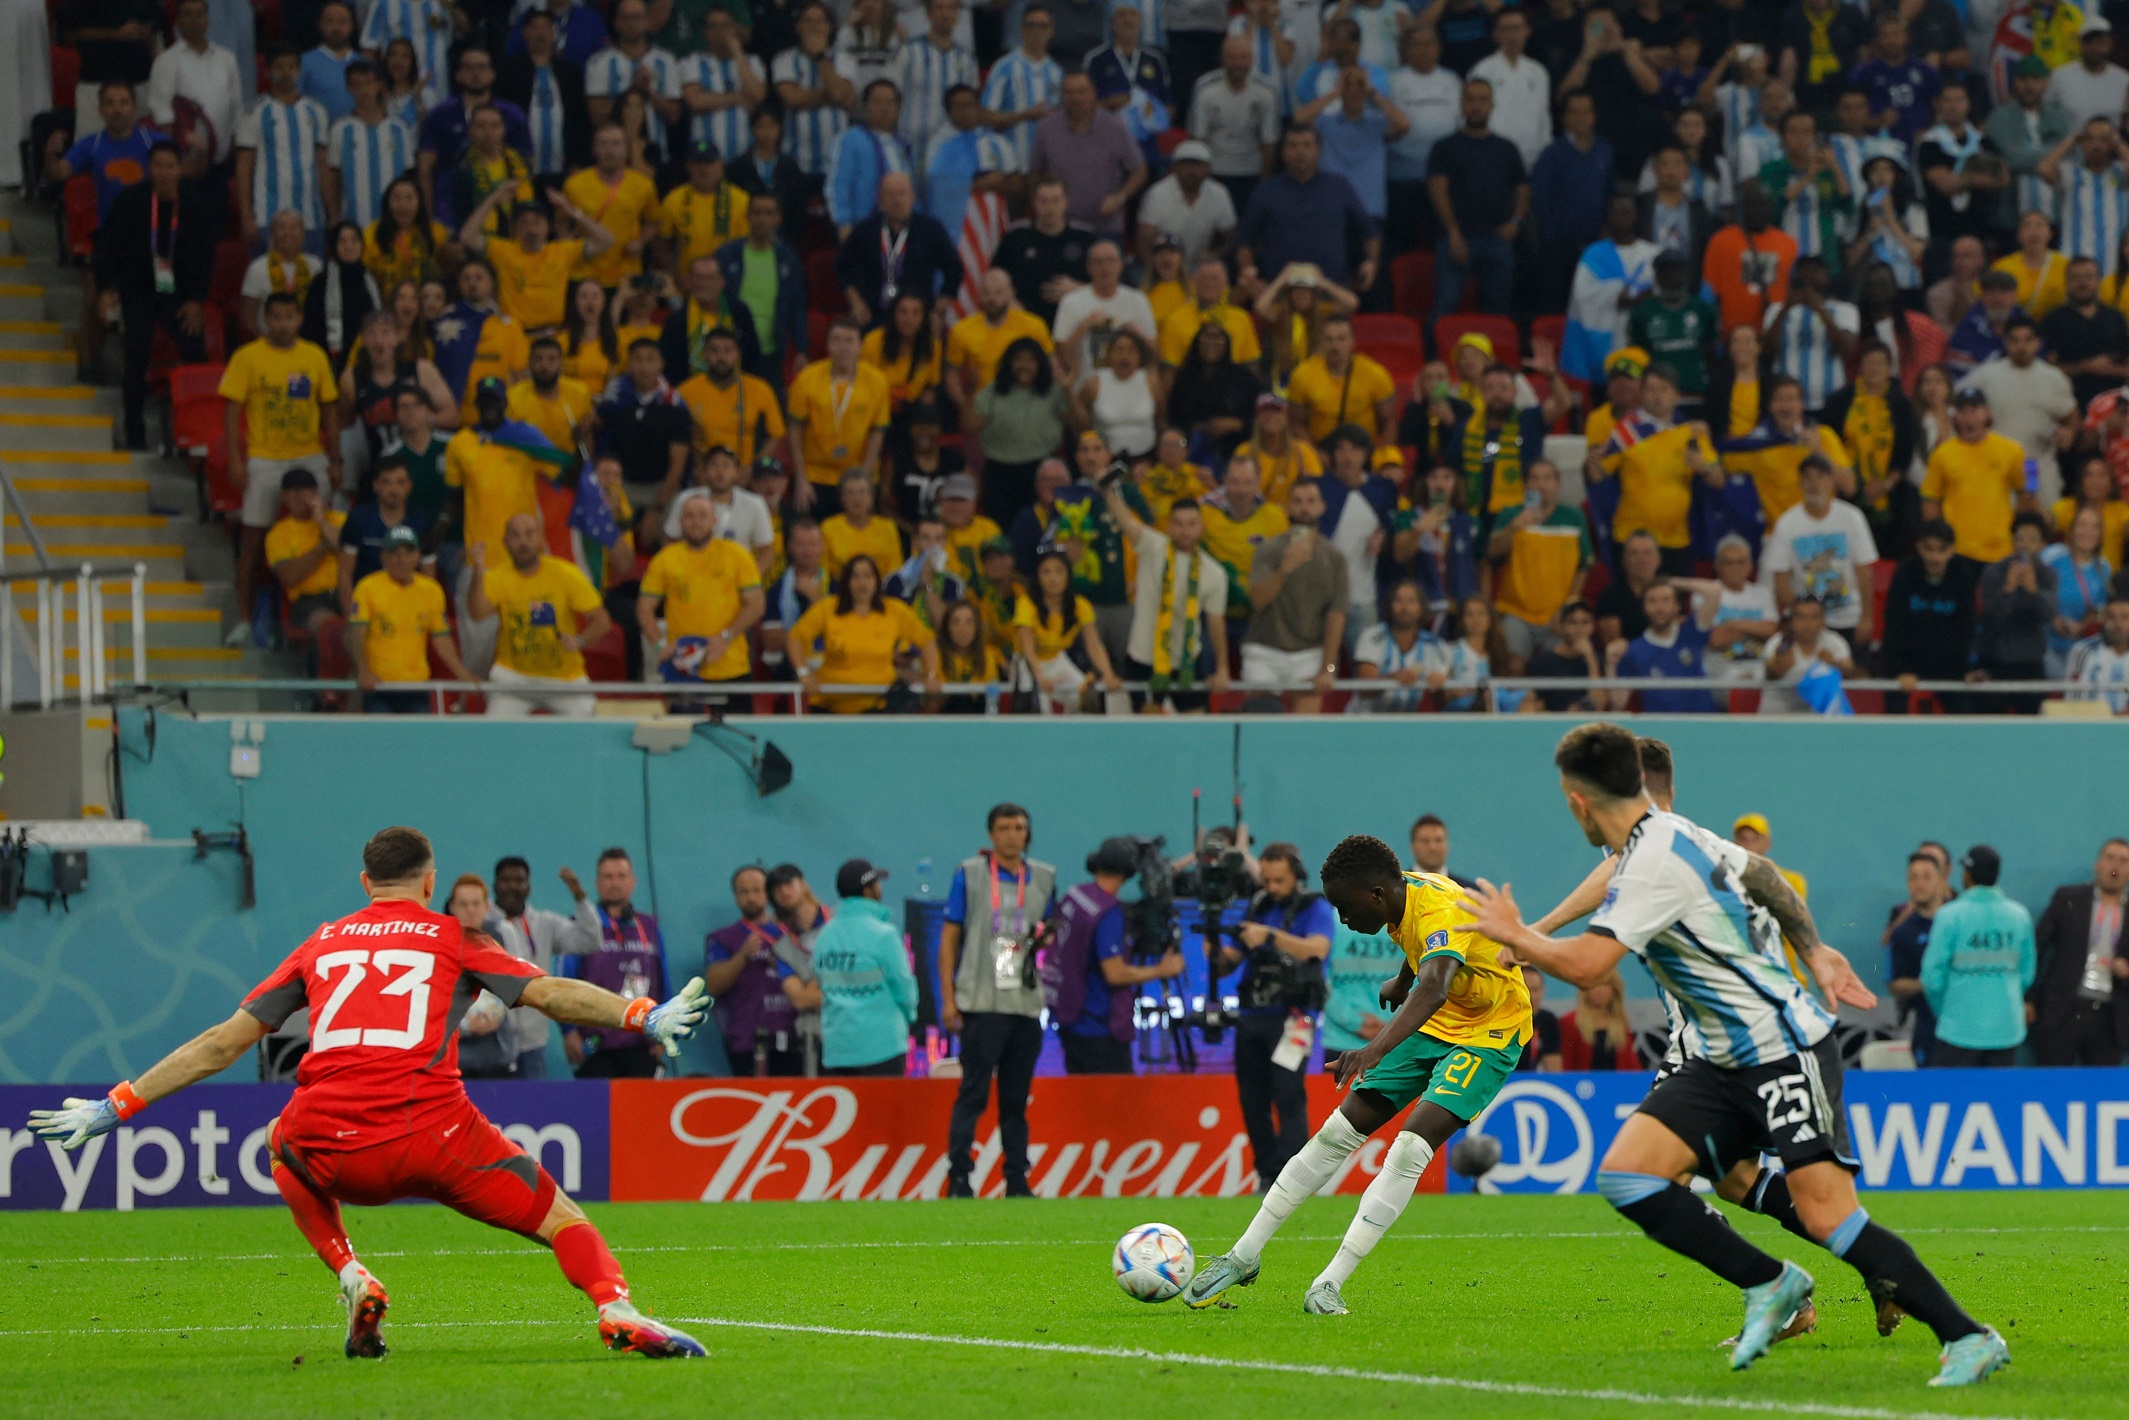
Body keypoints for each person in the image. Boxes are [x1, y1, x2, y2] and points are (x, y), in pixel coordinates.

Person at [25, 827, 710, 1360]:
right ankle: (614, 1307)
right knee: (560, 1216)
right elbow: (549, 993)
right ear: (431, 882)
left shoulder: (321, 944)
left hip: (331, 1144)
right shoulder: (454, 937)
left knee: (276, 1142)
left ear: (365, 883)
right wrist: (642, 1014)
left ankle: (352, 1273)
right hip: (437, 1138)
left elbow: (220, 1044)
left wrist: (116, 1105)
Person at [1459, 722, 2007, 1387]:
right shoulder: (1668, 836)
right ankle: (1771, 1283)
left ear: (1577, 802)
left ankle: (1967, 1337)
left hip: (1781, 1049)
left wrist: (1519, 936)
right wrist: (1813, 950)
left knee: (1826, 1214)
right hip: (1720, 1059)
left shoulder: (1653, 860)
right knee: (1630, 1175)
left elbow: (1588, 967)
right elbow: (1766, 875)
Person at [1184, 833, 1527, 1314]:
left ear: (1377, 895)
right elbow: (1425, 949)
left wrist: (1372, 1050)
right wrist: (1402, 978)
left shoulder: (1439, 908)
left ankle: (1328, 1283)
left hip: (1489, 1031)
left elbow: (1434, 986)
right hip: (1439, 1022)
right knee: (1336, 1133)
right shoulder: (1402, 893)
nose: (1343, 919)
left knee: (1409, 1148)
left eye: (1346, 908)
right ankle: (1242, 1256)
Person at [939, 804, 1055, 1196]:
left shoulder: (1043, 877)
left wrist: (1044, 939)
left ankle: (1017, 1179)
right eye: (1004, 828)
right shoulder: (970, 874)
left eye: (1019, 827)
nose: (1012, 835)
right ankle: (959, 1177)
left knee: (1016, 1100)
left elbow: (1044, 930)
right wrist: (949, 999)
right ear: (991, 834)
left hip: (1023, 1002)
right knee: (972, 1094)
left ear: (1027, 833)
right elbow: (949, 939)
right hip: (981, 1002)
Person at [221, 293, 343, 645]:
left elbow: (329, 408)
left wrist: (336, 459)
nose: (283, 323)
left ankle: (328, 600)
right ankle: (245, 619)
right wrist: (235, 459)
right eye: (275, 316)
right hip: (264, 456)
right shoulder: (247, 356)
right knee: (252, 539)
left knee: (324, 525)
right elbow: (232, 411)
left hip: (309, 453)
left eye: (289, 316)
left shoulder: (314, 356)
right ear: (265, 318)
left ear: (299, 319)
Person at [93, 142, 213, 452]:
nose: (164, 172)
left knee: (195, 350)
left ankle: (198, 429)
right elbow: (106, 247)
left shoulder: (197, 206)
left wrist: (196, 300)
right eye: (158, 165)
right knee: (136, 357)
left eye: (170, 166)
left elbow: (206, 259)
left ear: (180, 169)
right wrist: (107, 289)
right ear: (150, 168)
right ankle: (135, 434)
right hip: (139, 289)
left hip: (179, 293)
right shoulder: (131, 201)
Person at [1047, 837, 1181, 1076]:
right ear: (1128, 873)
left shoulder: (1075, 895)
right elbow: (1115, 973)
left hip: (1070, 1020)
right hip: (1099, 1029)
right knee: (1115, 1099)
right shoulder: (1108, 912)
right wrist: (1162, 970)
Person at [464, 512, 612, 717]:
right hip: (512, 678)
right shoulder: (497, 576)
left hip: (565, 679)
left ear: (541, 539)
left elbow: (602, 621)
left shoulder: (566, 573)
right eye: (515, 535)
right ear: (505, 543)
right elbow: (477, 613)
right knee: (495, 732)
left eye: (529, 534)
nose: (523, 542)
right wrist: (478, 570)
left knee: (592, 728)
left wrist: (580, 640)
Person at [779, 860, 917, 1077]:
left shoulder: (825, 936)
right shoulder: (884, 935)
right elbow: (904, 987)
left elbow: (820, 977)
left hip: (837, 1048)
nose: (880, 889)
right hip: (883, 1046)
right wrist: (908, 1018)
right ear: (868, 891)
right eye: (876, 884)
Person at [637, 490, 765, 697]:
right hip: (682, 668)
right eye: (689, 516)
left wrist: (725, 637)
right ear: (680, 521)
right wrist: (659, 646)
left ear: (714, 520)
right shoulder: (664, 559)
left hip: (730, 667)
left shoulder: (738, 555)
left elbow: (756, 604)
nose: (696, 522)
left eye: (703, 515)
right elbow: (644, 608)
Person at [562, 847, 673, 1080]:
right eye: (608, 877)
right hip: (595, 1046)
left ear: (633, 882)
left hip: (642, 1046)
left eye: (621, 876)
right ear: (597, 883)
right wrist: (568, 1031)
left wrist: (665, 1031)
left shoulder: (649, 927)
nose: (615, 883)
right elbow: (563, 983)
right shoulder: (580, 927)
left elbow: (664, 981)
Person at [1921, 845, 2036, 1068]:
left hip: (1958, 1029)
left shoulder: (1949, 915)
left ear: (1967, 875)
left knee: (1951, 1090)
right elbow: (2026, 974)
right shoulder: (2019, 916)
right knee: (1999, 1091)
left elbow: (1932, 977)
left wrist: (1946, 1011)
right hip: (2006, 1029)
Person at [1237, 123, 1378, 301]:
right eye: (1293, 145)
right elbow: (1244, 241)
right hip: (1281, 292)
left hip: (1331, 290)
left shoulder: (1339, 187)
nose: (1300, 152)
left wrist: (1371, 262)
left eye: (1306, 145)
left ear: (1318, 150)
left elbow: (1370, 233)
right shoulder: (1267, 191)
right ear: (1283, 152)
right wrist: (1250, 275)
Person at [789, 553, 942, 711]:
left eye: (867, 576)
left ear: (876, 581)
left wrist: (930, 676)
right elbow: (795, 638)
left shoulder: (895, 611)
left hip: (880, 705)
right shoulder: (827, 608)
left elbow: (927, 641)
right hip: (830, 703)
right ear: (846, 581)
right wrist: (803, 673)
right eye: (855, 576)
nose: (862, 583)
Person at [1243, 480, 1346, 713]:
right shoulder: (1268, 550)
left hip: (1310, 652)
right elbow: (1257, 600)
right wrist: (1284, 570)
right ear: (1288, 507)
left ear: (1322, 506)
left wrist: (1328, 670)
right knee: (1262, 713)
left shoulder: (1335, 558)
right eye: (1297, 502)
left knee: (1305, 726)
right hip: (1265, 649)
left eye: (1311, 501)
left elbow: (1336, 616)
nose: (1304, 508)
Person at [2029, 838, 2129, 1067]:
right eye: (2109, 858)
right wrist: (2029, 999)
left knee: (2102, 1085)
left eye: (2124, 861)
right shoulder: (2069, 899)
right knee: (2051, 1081)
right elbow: (2037, 948)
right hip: (2063, 1011)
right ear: (2097, 864)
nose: (2115, 866)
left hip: (2110, 1019)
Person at [347, 524, 468, 711]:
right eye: (394, 553)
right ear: (383, 557)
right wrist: (363, 671)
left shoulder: (431, 590)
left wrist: (462, 673)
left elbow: (441, 638)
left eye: (408, 552)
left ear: (418, 556)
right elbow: (356, 634)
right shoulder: (367, 588)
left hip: (416, 686)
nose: (401, 560)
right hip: (379, 686)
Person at [704, 865, 805, 1076]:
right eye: (744, 892)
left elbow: (818, 973)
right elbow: (714, 986)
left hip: (794, 1037)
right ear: (736, 896)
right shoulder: (723, 938)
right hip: (747, 1041)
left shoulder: (793, 933)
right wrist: (742, 956)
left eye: (757, 890)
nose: (751, 898)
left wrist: (786, 963)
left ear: (768, 893)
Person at [787, 318, 893, 518]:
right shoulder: (807, 378)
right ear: (827, 345)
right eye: (836, 340)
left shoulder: (877, 381)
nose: (843, 347)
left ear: (860, 346)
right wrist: (801, 478)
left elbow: (877, 432)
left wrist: (864, 479)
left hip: (857, 475)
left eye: (849, 341)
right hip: (815, 475)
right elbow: (794, 429)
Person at [672, 327, 785, 505]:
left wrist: (753, 467)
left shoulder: (759, 389)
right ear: (704, 354)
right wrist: (697, 468)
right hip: (702, 476)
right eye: (714, 350)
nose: (721, 357)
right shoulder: (686, 391)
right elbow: (677, 437)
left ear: (738, 354)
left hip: (743, 477)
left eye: (727, 350)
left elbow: (776, 434)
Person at [836, 171, 964, 329]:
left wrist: (938, 310)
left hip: (917, 319)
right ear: (880, 198)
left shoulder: (931, 230)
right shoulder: (864, 231)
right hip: (873, 317)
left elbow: (955, 269)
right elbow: (842, 269)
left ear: (913, 196)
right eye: (890, 194)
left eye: (902, 193)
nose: (897, 200)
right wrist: (856, 302)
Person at [1922, 387, 2030, 570]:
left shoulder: (2012, 450)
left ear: (1986, 413)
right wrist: (1937, 543)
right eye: (1963, 412)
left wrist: (2018, 533)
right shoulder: (1942, 454)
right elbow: (1929, 499)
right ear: (1956, 416)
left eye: (1975, 411)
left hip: (2000, 550)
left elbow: (2027, 491)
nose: (1969, 418)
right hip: (1956, 550)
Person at [236, 48, 334, 247]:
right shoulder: (253, 112)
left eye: (291, 67)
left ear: (299, 71)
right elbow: (244, 167)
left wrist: (332, 212)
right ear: (267, 71)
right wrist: (247, 215)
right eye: (279, 67)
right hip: (267, 216)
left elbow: (323, 165)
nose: (286, 72)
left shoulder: (316, 111)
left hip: (311, 216)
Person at [1028, 72, 1146, 237]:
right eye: (1069, 92)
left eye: (1082, 92)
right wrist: (1042, 205)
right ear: (1061, 96)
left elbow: (1139, 170)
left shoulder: (1115, 127)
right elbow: (1034, 173)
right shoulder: (1045, 128)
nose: (1076, 98)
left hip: (1105, 227)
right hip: (1059, 228)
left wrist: (1119, 198)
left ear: (1094, 93)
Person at [1882, 518, 1981, 708]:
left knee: (1964, 710)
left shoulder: (1963, 575)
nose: (1934, 557)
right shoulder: (1905, 573)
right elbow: (1895, 625)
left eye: (1942, 550)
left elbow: (1966, 628)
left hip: (1949, 665)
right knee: (1895, 706)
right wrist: (1900, 670)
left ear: (1952, 550)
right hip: (1908, 660)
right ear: (1919, 547)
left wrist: (1963, 670)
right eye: (1928, 549)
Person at [146, 0, 245, 172]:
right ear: (178, 20)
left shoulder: (226, 59)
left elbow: (236, 105)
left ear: (207, 19)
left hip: (222, 156)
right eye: (188, 14)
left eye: (199, 14)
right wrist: (175, 155)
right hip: (185, 159)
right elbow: (161, 111)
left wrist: (234, 146)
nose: (194, 20)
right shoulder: (166, 61)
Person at [1190, 33, 1280, 219]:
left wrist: (1263, 185)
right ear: (1222, 59)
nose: (1237, 63)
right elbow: (1198, 139)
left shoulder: (1266, 91)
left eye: (1243, 57)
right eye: (1232, 57)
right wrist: (1203, 180)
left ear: (1252, 59)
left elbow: (1269, 143)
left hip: (1252, 172)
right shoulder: (1205, 89)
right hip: (1215, 172)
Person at [1605, 579, 1720, 714]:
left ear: (1677, 606)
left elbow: (1713, 592)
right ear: (1644, 608)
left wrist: (1671, 581)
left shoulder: (1692, 631)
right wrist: (1610, 664)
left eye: (1665, 600)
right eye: (1652, 601)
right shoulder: (1634, 650)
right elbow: (1618, 702)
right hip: (1660, 723)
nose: (1659, 608)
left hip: (1703, 720)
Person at [1884, 850, 1951, 1065]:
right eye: (1913, 878)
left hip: (1962, 1025)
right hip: (1923, 1027)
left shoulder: (1958, 925)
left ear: (1941, 882)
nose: (1919, 884)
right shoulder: (1902, 932)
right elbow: (1895, 983)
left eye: (1926, 877)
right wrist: (1928, 983)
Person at [1558, 969, 1641, 1070]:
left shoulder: (1621, 1023)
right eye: (1594, 984)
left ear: (1614, 989)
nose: (1600, 990)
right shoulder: (1570, 1022)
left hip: (1617, 1080)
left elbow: (1631, 1065)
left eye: (1605, 984)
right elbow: (1565, 1066)